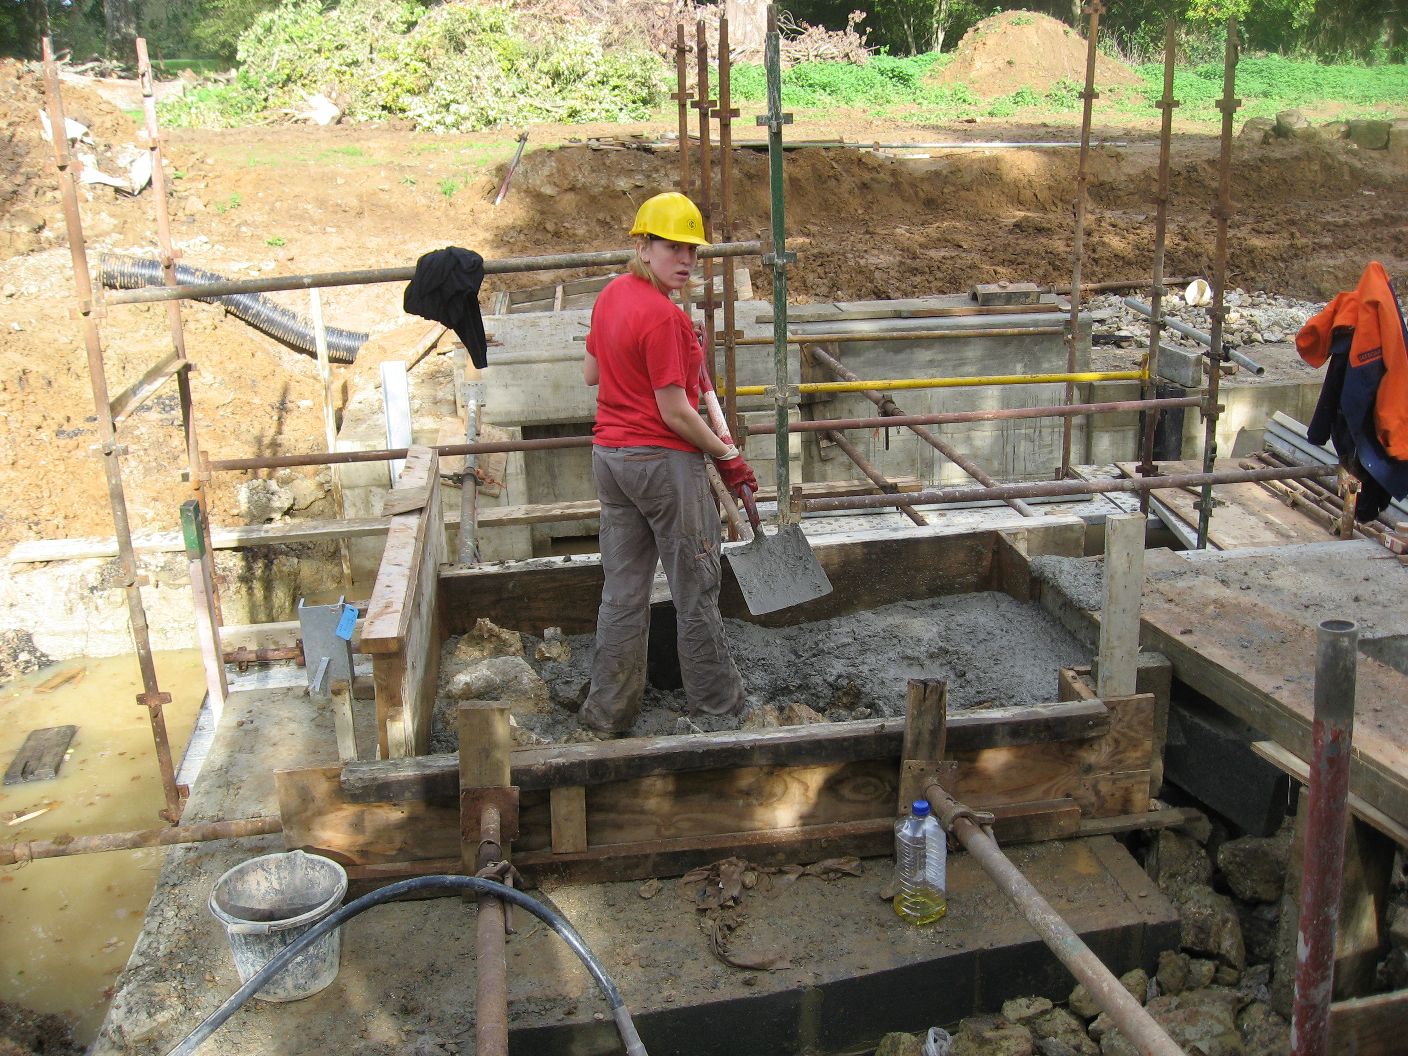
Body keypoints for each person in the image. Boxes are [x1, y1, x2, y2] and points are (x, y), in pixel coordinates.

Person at [578, 191, 757, 737]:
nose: (685, 260)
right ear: (644, 245)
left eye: (693, 252)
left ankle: (607, 714)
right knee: (696, 590)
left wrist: (679, 349)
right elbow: (676, 410)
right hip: (662, 467)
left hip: (611, 460)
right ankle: (718, 709)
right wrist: (726, 455)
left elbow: (593, 372)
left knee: (623, 591)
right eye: (673, 247)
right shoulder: (666, 319)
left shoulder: (612, 296)